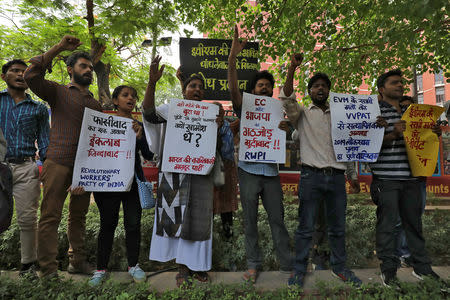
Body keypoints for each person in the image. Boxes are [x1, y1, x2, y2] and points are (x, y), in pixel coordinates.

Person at [143, 56, 230, 287]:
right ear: (184, 91)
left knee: (199, 221)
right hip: (174, 174)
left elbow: (219, 150)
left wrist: (218, 129)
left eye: (201, 87)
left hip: (201, 175)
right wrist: (151, 82)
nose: (197, 90)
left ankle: (198, 267)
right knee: (175, 221)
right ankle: (181, 267)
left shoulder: (212, 113)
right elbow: (149, 114)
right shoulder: (172, 108)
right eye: (193, 86)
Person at [24, 35, 102, 278]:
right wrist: (58, 47)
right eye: (83, 66)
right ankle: (47, 271)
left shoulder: (96, 104)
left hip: (85, 168)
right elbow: (30, 76)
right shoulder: (57, 91)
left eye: (91, 67)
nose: (89, 70)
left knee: (78, 216)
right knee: (49, 217)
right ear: (70, 70)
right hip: (58, 162)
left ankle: (76, 261)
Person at [281, 54, 362, 287]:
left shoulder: (341, 116)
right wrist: (291, 70)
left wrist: (352, 177)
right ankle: (299, 270)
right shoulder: (301, 114)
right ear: (309, 91)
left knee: (338, 227)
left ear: (329, 91)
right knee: (305, 227)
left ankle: (340, 268)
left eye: (324, 86)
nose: (320, 88)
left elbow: (349, 147)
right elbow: (287, 98)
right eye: (316, 85)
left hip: (337, 179)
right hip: (311, 176)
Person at [228, 25, 292, 283]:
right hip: (248, 171)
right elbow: (233, 87)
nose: (264, 89)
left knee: (278, 220)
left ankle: (287, 265)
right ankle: (253, 265)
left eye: (268, 86)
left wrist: (285, 128)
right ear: (253, 90)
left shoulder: (278, 110)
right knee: (250, 221)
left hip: (272, 173)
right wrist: (232, 58)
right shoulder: (245, 106)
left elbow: (285, 132)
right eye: (260, 85)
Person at [370, 69, 441, 287]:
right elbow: (366, 145)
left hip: (412, 179)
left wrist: (431, 133)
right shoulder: (373, 112)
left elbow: (422, 142)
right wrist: (393, 134)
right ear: (382, 89)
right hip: (386, 179)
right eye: (394, 83)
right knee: (388, 226)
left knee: (414, 225)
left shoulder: (413, 112)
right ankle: (389, 272)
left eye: (401, 83)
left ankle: (422, 269)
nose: (400, 86)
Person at [88, 85, 154, 286]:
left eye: (134, 96)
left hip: (132, 183)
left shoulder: (137, 125)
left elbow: (149, 156)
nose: (131, 99)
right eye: (125, 95)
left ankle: (133, 265)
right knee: (107, 225)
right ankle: (100, 269)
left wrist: (141, 136)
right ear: (115, 100)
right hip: (107, 184)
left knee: (133, 225)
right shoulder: (103, 124)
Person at [0, 59, 50, 276]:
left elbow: (45, 140)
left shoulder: (39, 108)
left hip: (26, 167)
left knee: (28, 219)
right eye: (15, 71)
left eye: (25, 71)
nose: (21, 74)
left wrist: (47, 166)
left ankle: (28, 265)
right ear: (4, 76)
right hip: (0, 167)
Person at [212, 102, 238, 239]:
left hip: (227, 168)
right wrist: (216, 127)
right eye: (215, 108)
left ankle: (228, 236)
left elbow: (241, 119)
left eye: (221, 108)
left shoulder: (229, 125)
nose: (219, 110)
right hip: (210, 168)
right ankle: (207, 240)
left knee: (227, 205)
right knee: (209, 203)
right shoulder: (207, 124)